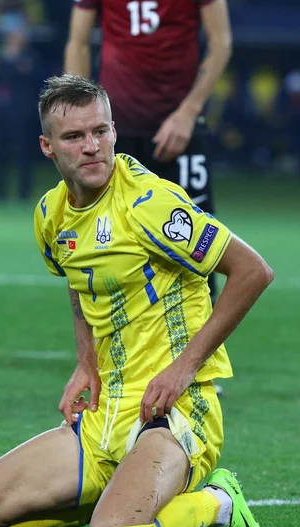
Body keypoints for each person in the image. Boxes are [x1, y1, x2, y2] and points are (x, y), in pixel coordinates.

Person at [0, 75, 273, 527]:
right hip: (105, 416)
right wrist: (86, 361)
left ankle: (217, 502)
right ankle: (119, 492)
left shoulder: (150, 204)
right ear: (47, 146)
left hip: (173, 412)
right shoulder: (51, 215)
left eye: (100, 131)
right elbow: (78, 282)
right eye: (74, 137)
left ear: (115, 132)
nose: (91, 147)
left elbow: (252, 272)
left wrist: (184, 368)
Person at [64, 0, 232, 308]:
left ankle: (201, 352)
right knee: (109, 243)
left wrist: (189, 113)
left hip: (181, 127)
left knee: (197, 245)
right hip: (116, 130)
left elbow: (221, 42)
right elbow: (78, 41)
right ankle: (116, 346)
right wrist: (82, 119)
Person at [0, 16, 43, 203]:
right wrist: (15, 69)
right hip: (0, 113)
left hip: (22, 112)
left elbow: (36, 79)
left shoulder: (31, 57)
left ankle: (24, 193)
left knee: (23, 153)